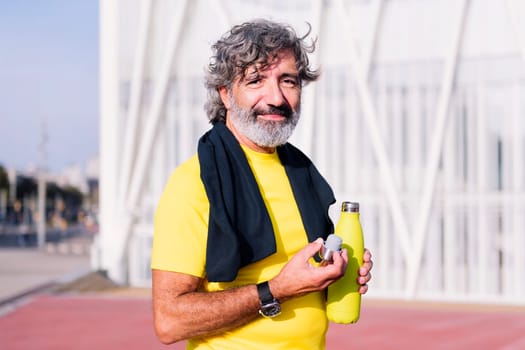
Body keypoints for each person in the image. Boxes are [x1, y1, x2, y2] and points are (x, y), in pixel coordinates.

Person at [151, 19, 373, 349]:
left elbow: (300, 281)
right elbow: (169, 321)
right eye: (256, 81)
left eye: (288, 81)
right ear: (225, 94)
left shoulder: (301, 172)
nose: (276, 98)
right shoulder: (194, 183)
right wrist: (276, 290)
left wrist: (330, 274)